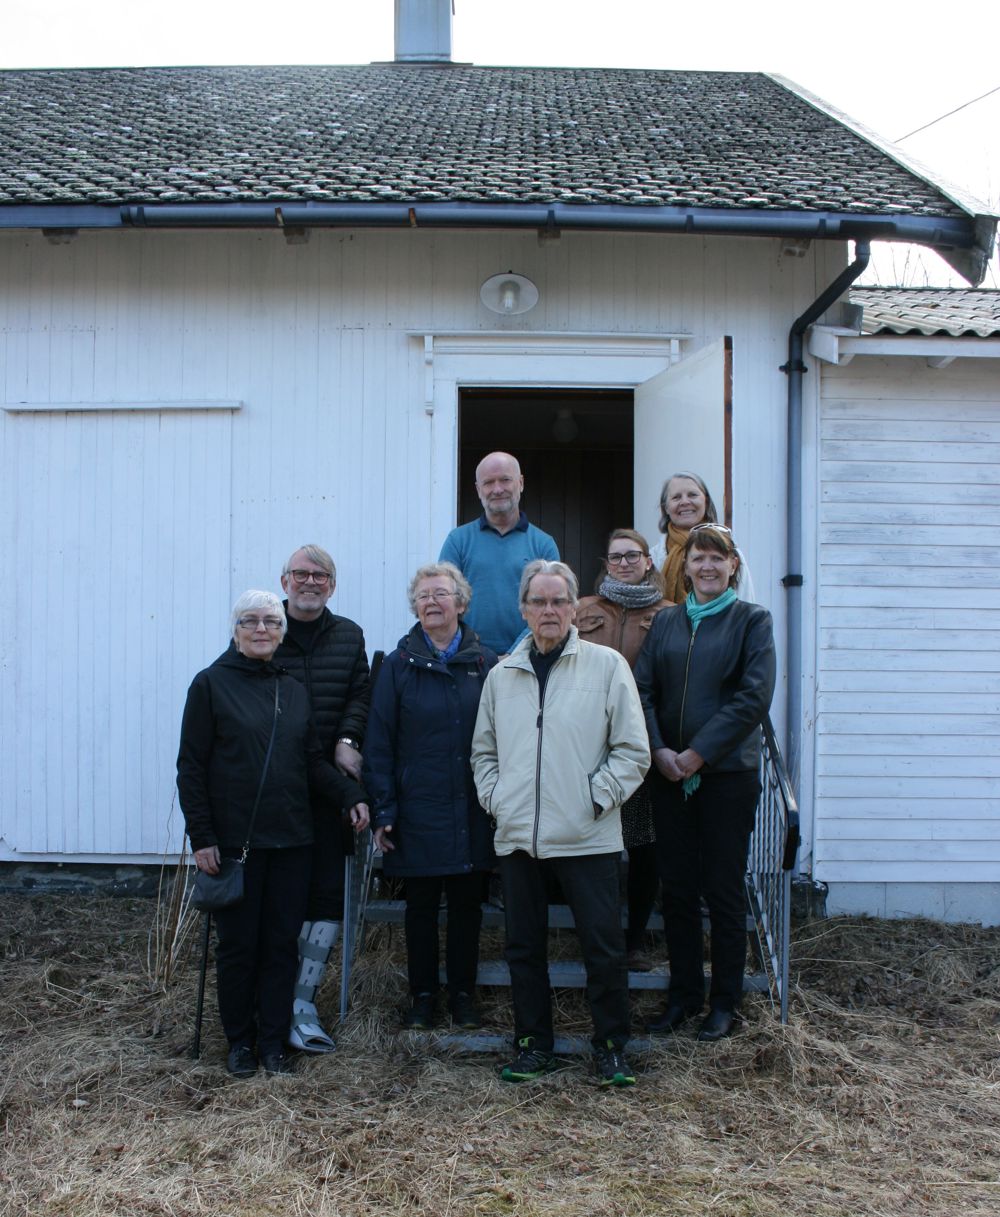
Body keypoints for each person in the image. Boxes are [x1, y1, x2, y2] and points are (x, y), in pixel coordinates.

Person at [471, 560, 650, 1087]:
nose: (549, 611)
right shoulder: (502, 675)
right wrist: (499, 799)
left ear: (575, 608)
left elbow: (632, 751)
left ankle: (612, 1048)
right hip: (519, 836)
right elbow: (484, 752)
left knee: (603, 946)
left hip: (587, 835)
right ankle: (533, 1046)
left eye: (559, 601)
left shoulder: (607, 666)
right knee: (524, 948)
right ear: (523, 609)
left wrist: (596, 800)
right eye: (538, 602)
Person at [177, 591, 369, 1078]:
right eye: (251, 621)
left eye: (271, 622)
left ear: (281, 632)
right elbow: (191, 768)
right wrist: (202, 836)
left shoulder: (292, 689)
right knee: (239, 947)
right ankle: (240, 1043)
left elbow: (310, 763)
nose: (262, 629)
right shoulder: (210, 685)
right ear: (235, 628)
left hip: (292, 840)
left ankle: (273, 1042)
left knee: (282, 945)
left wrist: (349, 796)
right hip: (235, 845)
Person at [633, 525, 775, 1042]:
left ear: (733, 564)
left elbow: (752, 698)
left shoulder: (752, 622)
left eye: (718, 558)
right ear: (686, 565)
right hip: (668, 777)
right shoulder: (667, 623)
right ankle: (684, 997)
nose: (708, 566)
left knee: (723, 891)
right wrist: (658, 750)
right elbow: (642, 689)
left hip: (726, 778)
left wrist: (698, 753)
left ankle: (724, 1003)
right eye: (699, 558)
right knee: (677, 893)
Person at [363, 562, 498, 1030]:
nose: (431, 602)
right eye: (422, 596)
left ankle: (462, 996)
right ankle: (422, 997)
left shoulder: (487, 664)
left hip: (471, 809)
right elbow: (379, 741)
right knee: (420, 911)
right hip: (415, 810)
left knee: (466, 909)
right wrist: (383, 809)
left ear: (461, 603)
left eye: (441, 594)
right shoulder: (398, 666)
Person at [274, 544, 371, 1055]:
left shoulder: (349, 635)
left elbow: (360, 692)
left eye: (321, 576)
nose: (310, 582)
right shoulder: (267, 631)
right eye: (301, 574)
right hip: (281, 792)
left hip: (332, 788)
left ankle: (304, 1003)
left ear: (331, 585)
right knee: (285, 897)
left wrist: (349, 739)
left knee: (327, 897)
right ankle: (275, 1002)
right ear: (284, 580)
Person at [575, 528, 673, 969]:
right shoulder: (583, 609)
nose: (624, 564)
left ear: (648, 562)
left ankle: (632, 942)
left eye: (633, 556)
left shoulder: (671, 613)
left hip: (639, 748)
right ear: (606, 564)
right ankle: (595, 938)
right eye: (615, 558)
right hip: (585, 746)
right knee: (589, 845)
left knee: (641, 844)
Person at [439, 451, 559, 655]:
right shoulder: (457, 541)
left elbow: (551, 608)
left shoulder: (543, 545)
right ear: (478, 490)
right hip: (466, 658)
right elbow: (444, 601)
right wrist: (474, 652)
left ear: (520, 483)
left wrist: (514, 654)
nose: (497, 489)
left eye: (505, 480)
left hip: (529, 657)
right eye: (488, 482)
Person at [649, 472, 756, 604]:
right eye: (676, 497)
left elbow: (745, 605)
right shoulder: (652, 557)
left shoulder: (730, 551)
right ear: (666, 507)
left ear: (706, 501)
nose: (685, 502)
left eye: (692, 495)